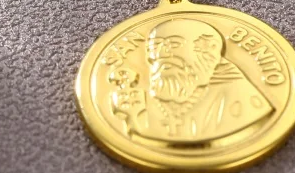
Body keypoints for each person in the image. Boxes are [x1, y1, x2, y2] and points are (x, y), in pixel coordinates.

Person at [109, 18, 272, 144]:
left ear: (210, 49)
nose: (160, 54)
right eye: (154, 47)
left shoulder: (240, 97)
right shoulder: (138, 98)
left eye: (173, 44)